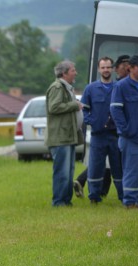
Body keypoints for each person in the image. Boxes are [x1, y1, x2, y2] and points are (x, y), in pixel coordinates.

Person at [73, 55, 130, 198]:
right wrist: (91, 120)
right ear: (99, 69)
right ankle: (94, 196)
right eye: (103, 67)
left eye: (108, 67)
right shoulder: (91, 89)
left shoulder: (119, 87)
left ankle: (123, 197)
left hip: (116, 136)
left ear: (113, 69)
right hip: (98, 136)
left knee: (118, 169)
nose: (106, 70)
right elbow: (84, 109)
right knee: (95, 168)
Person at [111, 55, 138, 209]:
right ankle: (129, 202)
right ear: (130, 68)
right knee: (132, 170)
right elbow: (115, 110)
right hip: (132, 137)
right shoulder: (121, 86)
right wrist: (126, 130)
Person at [45, 61, 83, 207]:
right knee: (62, 172)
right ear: (64, 73)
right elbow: (54, 107)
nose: (76, 73)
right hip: (60, 138)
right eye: (73, 70)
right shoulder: (57, 87)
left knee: (69, 171)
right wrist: (75, 104)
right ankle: (59, 202)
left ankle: (66, 201)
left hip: (68, 136)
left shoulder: (66, 87)